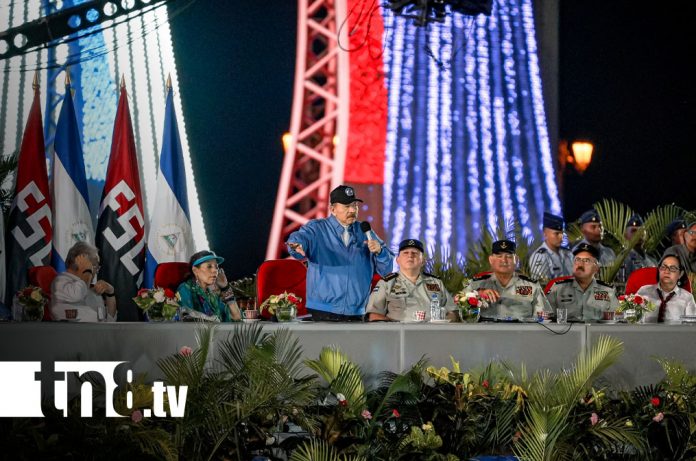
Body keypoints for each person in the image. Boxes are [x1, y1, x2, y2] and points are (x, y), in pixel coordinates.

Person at [286, 185, 394, 321]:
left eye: (355, 206)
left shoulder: (365, 232)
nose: (353, 210)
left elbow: (387, 270)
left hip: (357, 311)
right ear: (333, 209)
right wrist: (296, 245)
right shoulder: (317, 228)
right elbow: (299, 239)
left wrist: (380, 251)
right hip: (324, 310)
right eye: (347, 206)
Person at [366, 239, 457, 322]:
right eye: (405, 253)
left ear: (423, 261)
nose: (410, 256)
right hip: (399, 336)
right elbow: (374, 315)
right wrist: (395, 328)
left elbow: (453, 312)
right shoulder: (386, 283)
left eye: (415, 253)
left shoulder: (436, 282)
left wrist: (442, 324)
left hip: (433, 334)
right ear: (398, 260)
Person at [463, 239, 551, 320]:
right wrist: (477, 295)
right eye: (499, 256)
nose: (504, 260)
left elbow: (545, 317)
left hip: (521, 334)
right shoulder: (476, 284)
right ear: (491, 260)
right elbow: (458, 310)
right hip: (484, 334)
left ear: (516, 260)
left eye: (509, 256)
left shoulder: (531, 285)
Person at [545, 242, 618, 322]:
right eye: (577, 259)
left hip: (597, 333)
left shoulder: (608, 291)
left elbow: (617, 320)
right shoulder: (558, 288)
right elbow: (545, 317)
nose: (580, 264)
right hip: (565, 333)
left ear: (596, 268)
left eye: (586, 260)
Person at [50, 241, 117, 322]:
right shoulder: (60, 282)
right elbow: (77, 295)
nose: (96, 271)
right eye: (95, 265)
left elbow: (109, 321)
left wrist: (110, 293)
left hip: (99, 333)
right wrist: (87, 271)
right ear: (81, 263)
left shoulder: (91, 289)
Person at [176, 250, 241, 322]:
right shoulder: (185, 290)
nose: (215, 270)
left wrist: (225, 287)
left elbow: (236, 317)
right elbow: (187, 320)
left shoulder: (211, 296)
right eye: (209, 266)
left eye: (216, 267)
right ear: (195, 270)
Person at [637, 254, 696, 323]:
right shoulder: (644, 291)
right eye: (663, 267)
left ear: (680, 274)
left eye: (673, 268)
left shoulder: (687, 298)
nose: (667, 271)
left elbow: (691, 327)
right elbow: (633, 319)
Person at [529, 212, 573, 283]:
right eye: (557, 233)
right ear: (545, 233)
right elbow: (542, 287)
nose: (561, 237)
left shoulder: (568, 253)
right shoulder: (539, 257)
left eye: (562, 233)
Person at [621, 214, 657, 280]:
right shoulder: (622, 260)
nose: (638, 234)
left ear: (646, 235)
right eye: (634, 231)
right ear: (625, 235)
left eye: (641, 231)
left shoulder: (653, 261)